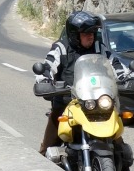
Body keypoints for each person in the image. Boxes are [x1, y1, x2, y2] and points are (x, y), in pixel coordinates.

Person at [42, 10, 102, 157]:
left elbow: (114, 63)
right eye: (86, 33)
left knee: (118, 141)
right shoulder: (61, 48)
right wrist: (44, 81)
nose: (91, 37)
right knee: (47, 148)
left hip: (95, 103)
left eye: (93, 33)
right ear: (75, 35)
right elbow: (47, 66)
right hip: (67, 103)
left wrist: (125, 76)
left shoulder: (99, 47)